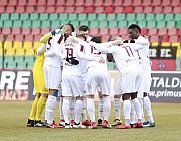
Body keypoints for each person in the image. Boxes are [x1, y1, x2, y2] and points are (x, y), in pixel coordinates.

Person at [94, 38, 143, 129]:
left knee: (126, 97)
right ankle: (139, 121)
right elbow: (140, 46)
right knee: (134, 96)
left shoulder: (116, 48)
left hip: (128, 72)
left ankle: (127, 123)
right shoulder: (129, 46)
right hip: (138, 70)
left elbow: (101, 49)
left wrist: (95, 44)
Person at [43, 23, 74, 128]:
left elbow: (45, 50)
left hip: (47, 63)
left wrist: (44, 54)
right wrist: (64, 57)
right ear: (68, 31)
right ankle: (50, 121)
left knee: (50, 91)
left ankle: (47, 119)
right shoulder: (60, 36)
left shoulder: (52, 35)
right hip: (54, 65)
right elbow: (56, 50)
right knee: (53, 91)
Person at [128, 24, 155, 128]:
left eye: (131, 33)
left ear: (137, 31)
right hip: (139, 69)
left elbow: (142, 42)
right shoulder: (136, 41)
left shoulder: (142, 39)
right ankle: (142, 119)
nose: (130, 35)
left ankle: (151, 120)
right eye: (129, 33)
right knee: (138, 95)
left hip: (145, 69)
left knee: (144, 94)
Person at [27, 43, 49, 127]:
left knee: (39, 95)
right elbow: (38, 50)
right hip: (40, 70)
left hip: (40, 69)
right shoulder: (47, 45)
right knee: (44, 94)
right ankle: (37, 120)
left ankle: (31, 119)